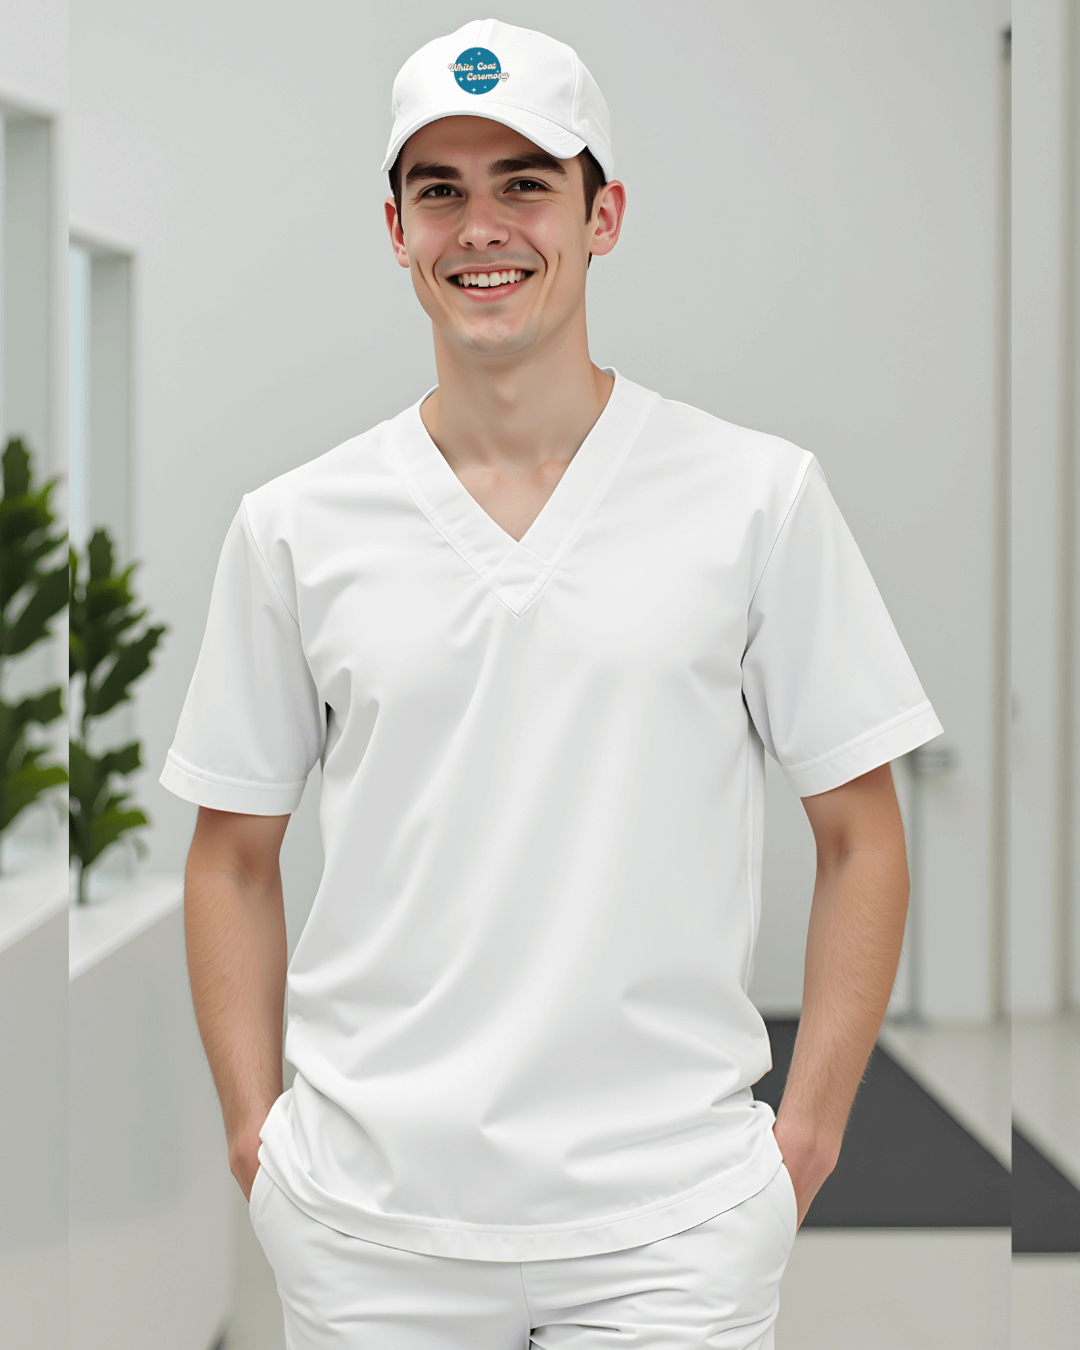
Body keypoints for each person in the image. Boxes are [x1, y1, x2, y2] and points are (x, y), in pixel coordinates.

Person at [161, 18, 943, 1349]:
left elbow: (861, 833)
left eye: (526, 182)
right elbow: (232, 854)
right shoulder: (297, 524)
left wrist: (801, 1138)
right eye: (440, 190)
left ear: (605, 212)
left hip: (673, 1228)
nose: (484, 227)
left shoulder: (755, 499)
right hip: (371, 1229)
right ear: (395, 228)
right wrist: (258, 1137)